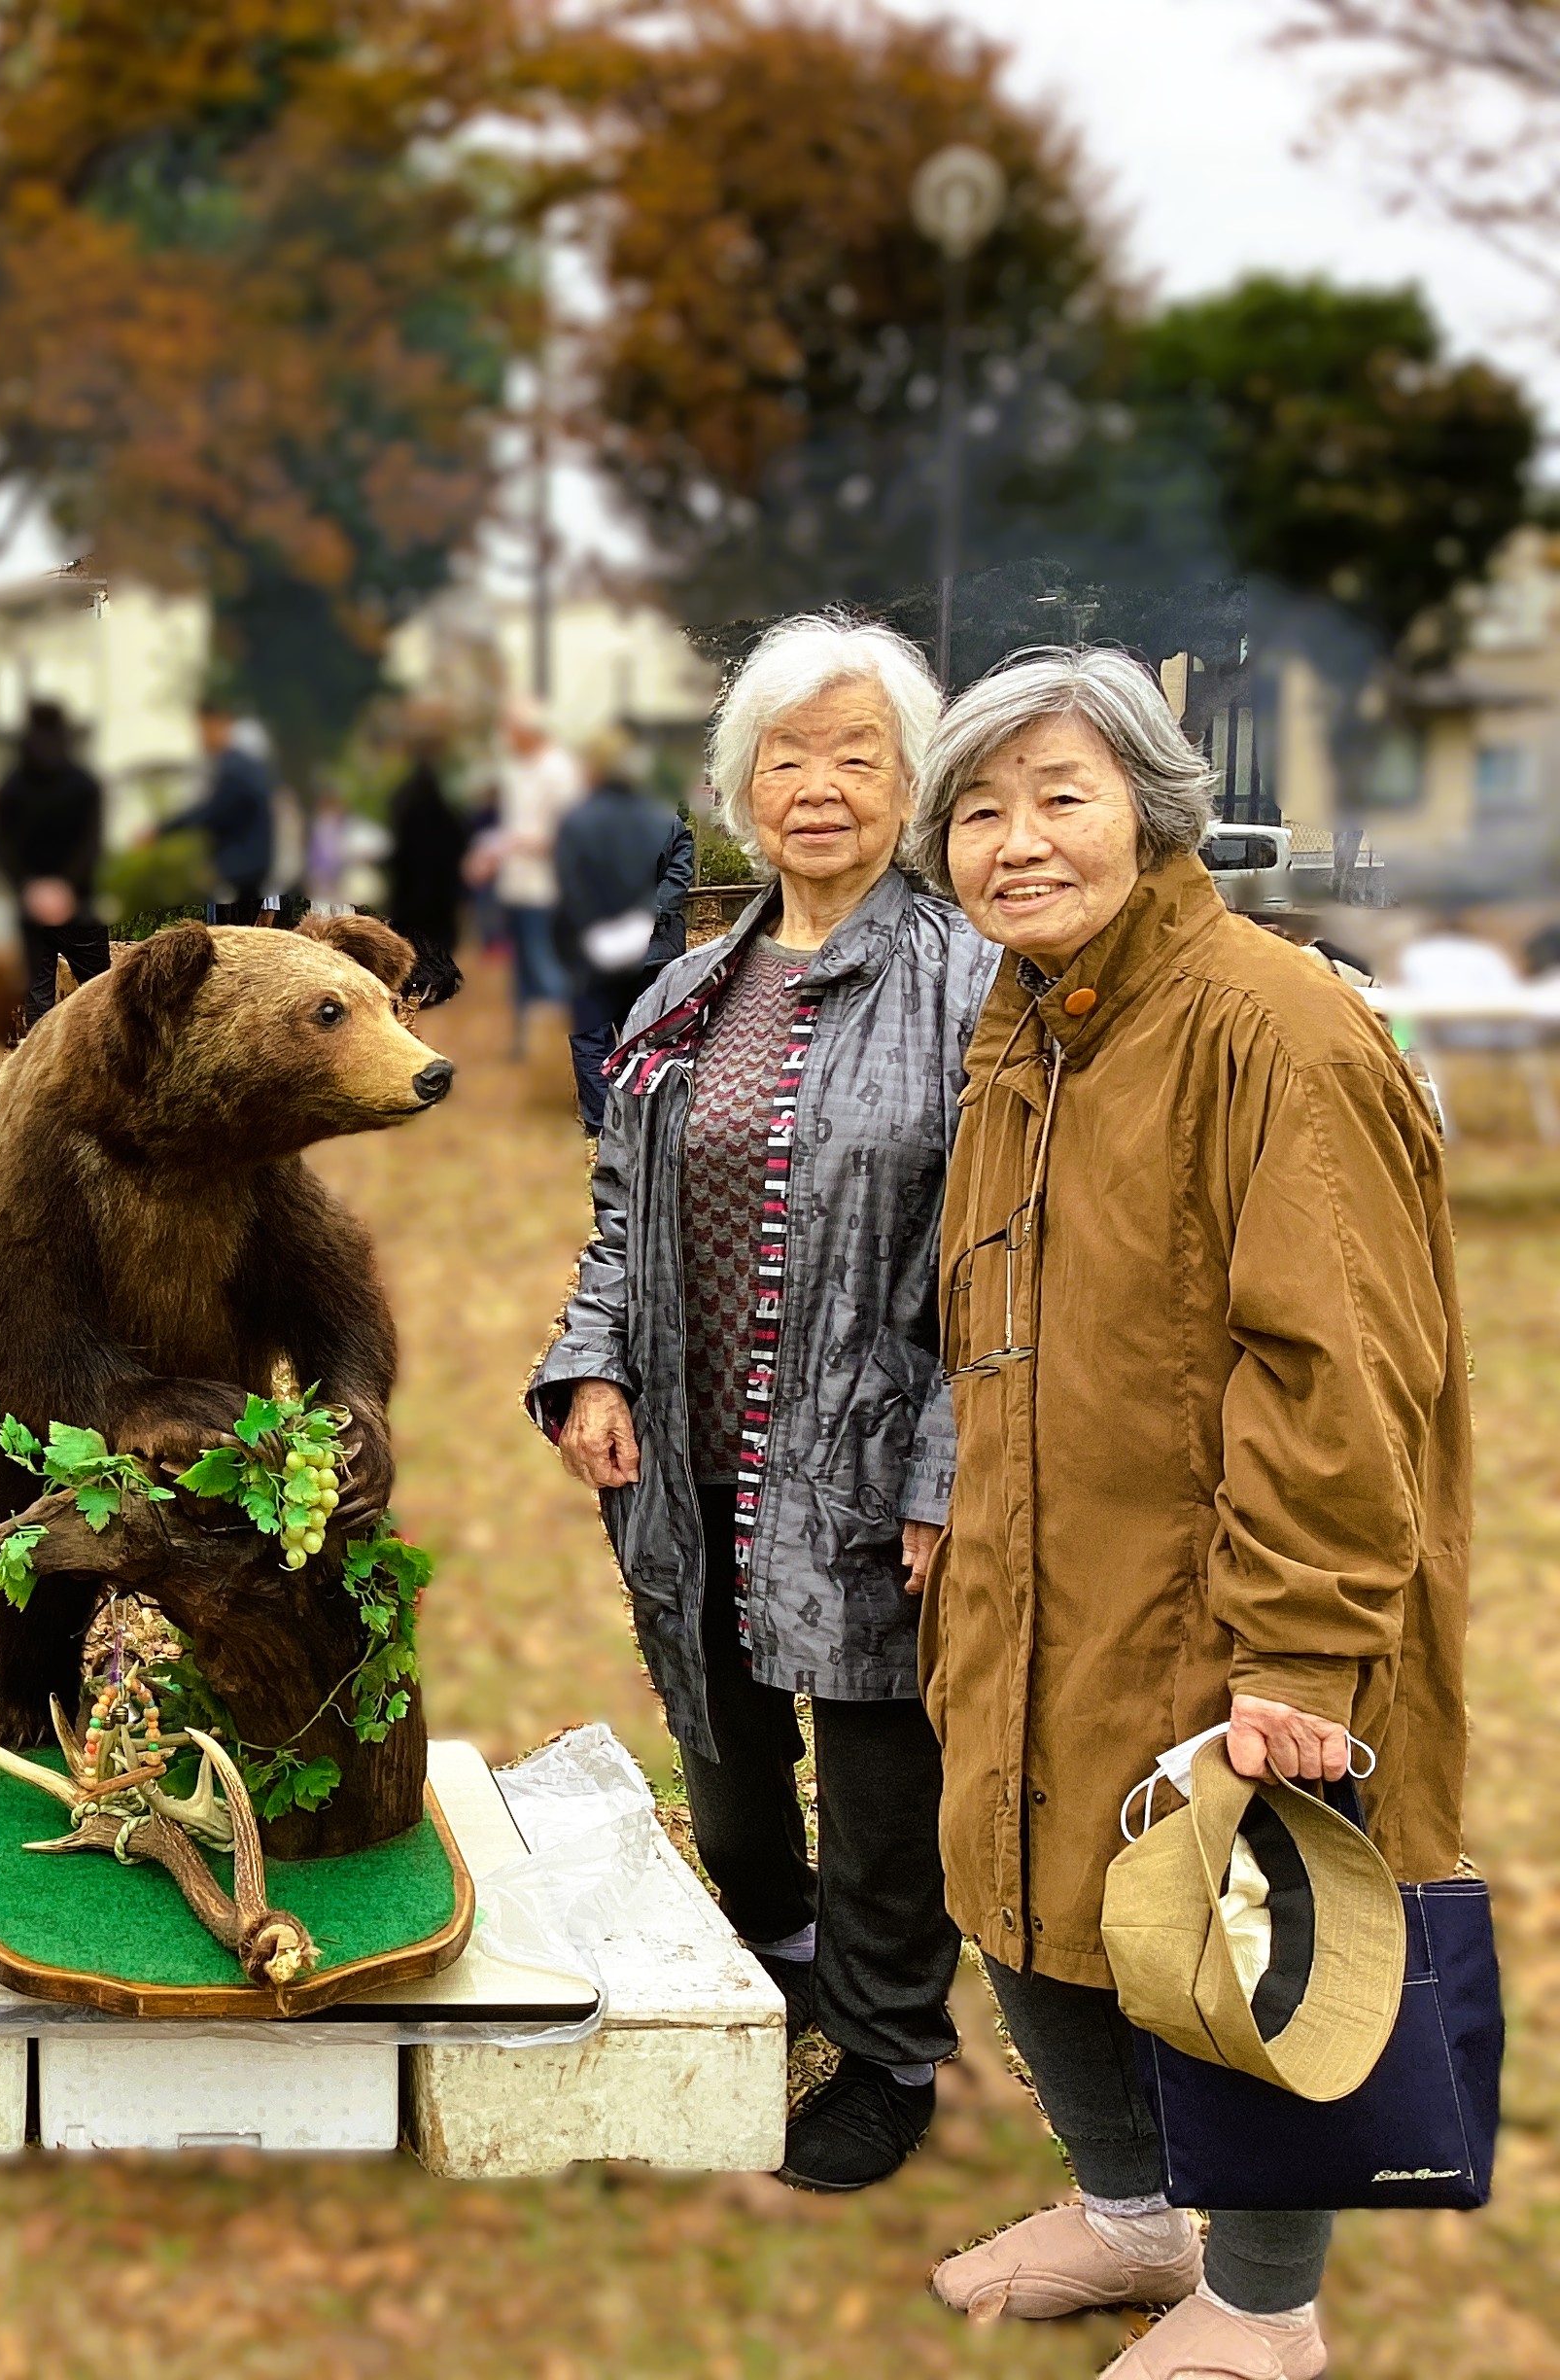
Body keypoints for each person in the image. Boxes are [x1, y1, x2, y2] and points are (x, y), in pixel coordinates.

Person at [909, 650, 1470, 2380]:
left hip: (1226, 1588)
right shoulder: (1028, 1019)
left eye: (1058, 796)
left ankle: (1262, 2304)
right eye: (978, 811)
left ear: (1151, 813)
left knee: (1249, 1912)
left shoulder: (1268, 1024)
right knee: (1034, 1886)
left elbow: (1336, 1364)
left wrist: (1296, 1646)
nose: (1015, 842)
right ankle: (1130, 2209)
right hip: (1040, 1557)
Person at [530, 617, 991, 2192]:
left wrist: (942, 1470)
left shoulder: (967, 987)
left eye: (854, 754)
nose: (815, 786)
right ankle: (771, 1946)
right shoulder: (682, 987)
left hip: (864, 1456)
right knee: (720, 1736)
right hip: (687, 1446)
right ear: (736, 787)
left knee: (876, 1765)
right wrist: (589, 1360)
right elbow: (617, 1216)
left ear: (908, 781)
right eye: (783, 756)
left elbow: (1002, 1262)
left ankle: (883, 2048)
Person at [548, 734, 695, 1130]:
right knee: (647, 1034)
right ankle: (643, 1118)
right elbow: (677, 880)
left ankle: (602, 1122)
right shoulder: (668, 821)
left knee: (591, 1035)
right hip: (652, 950)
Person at [0, 699, 110, 1025]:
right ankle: (103, 1068)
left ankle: (41, 1070)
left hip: (29, 908)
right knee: (101, 994)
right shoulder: (85, 783)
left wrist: (29, 887)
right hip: (80, 905)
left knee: (38, 999)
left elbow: (2, 848)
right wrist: (67, 887)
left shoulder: (11, 786)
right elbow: (92, 845)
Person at [489, 702, 584, 1053]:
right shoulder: (516, 770)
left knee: (548, 973)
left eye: (510, 730)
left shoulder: (559, 771)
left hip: (546, 891)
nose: (506, 738)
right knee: (522, 973)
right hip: (516, 887)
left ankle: (577, 1050)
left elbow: (565, 836)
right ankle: (523, 1042)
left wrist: (511, 843)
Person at [158, 703, 277, 910]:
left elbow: (211, 814)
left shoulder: (234, 769)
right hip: (252, 864)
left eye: (203, 729)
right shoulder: (242, 765)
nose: (201, 738)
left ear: (220, 725)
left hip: (240, 865)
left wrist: (163, 830)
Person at [384, 719, 468, 968]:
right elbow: (459, 837)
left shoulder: (403, 797)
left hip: (410, 889)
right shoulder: (447, 796)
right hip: (439, 890)